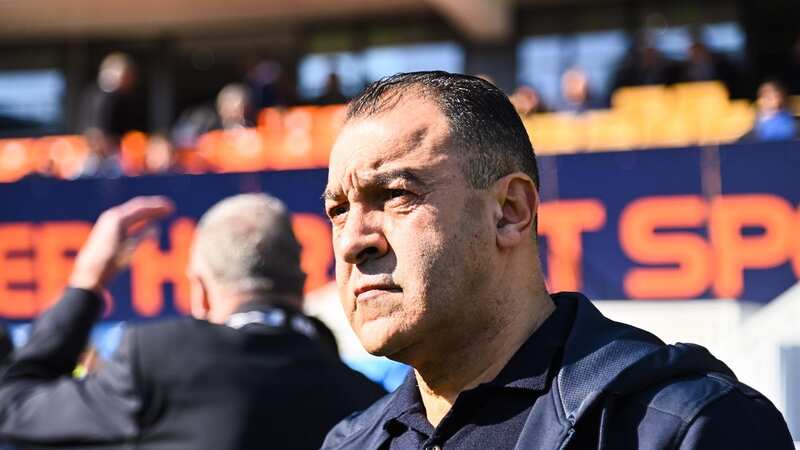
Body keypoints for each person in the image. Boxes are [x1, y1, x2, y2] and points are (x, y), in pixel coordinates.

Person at [320, 71, 794, 449]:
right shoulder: (348, 442)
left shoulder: (685, 427)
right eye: (338, 211)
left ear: (510, 212)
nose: (352, 242)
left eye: (396, 194)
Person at [0, 194, 385, 450]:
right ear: (301, 285)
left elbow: (13, 408)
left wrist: (87, 283)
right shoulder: (371, 405)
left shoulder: (157, 361)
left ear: (199, 290)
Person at [77, 52, 143, 178]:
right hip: (98, 157)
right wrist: (98, 143)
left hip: (114, 156)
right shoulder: (96, 96)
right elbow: (92, 132)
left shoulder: (123, 100)